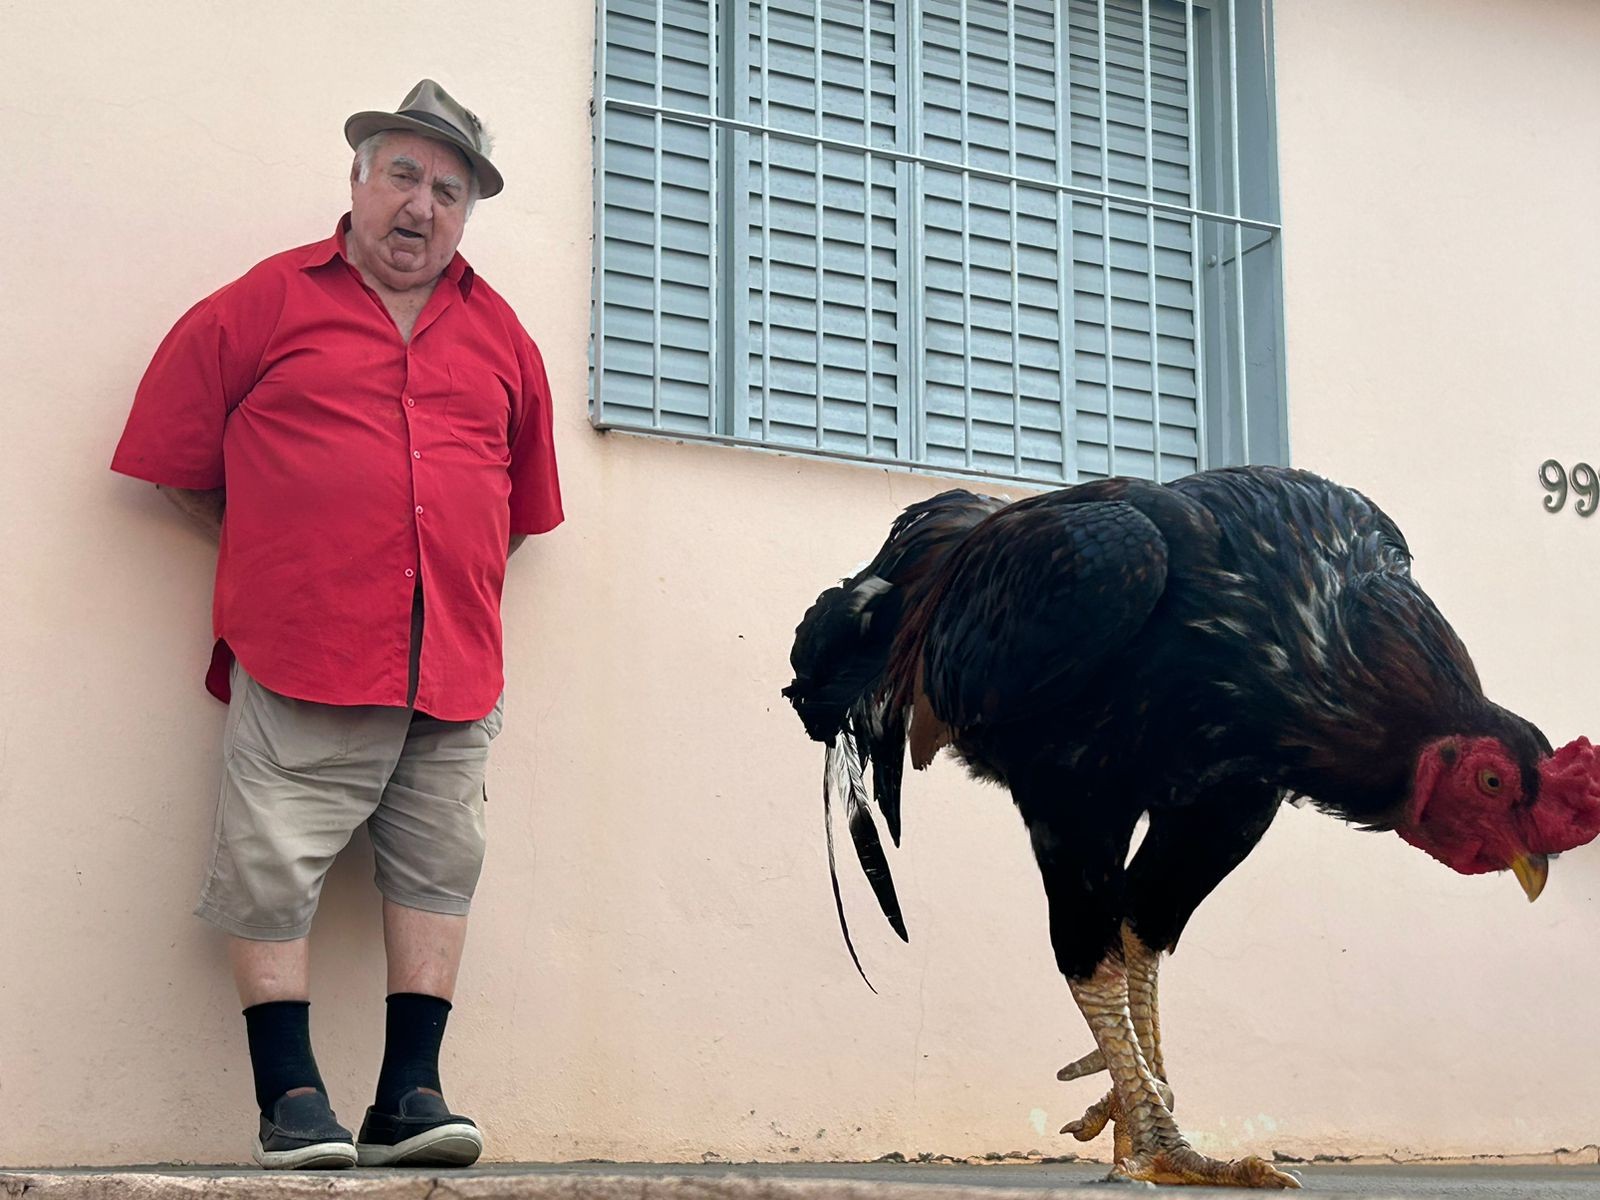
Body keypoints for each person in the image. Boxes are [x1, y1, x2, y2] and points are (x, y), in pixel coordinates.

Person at [110, 79, 562, 1169]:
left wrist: (441, 571)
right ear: (358, 180)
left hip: (453, 664)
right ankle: (291, 1101)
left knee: (440, 868)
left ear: (467, 213)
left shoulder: (503, 335)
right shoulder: (261, 304)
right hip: (301, 647)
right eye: (403, 175)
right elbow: (175, 464)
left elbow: (520, 507)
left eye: (449, 191)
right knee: (269, 863)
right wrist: (287, 551)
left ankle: (409, 1098)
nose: (422, 206)